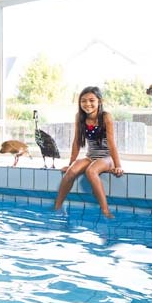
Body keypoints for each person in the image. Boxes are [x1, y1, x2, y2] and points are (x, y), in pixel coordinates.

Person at [54, 86, 124, 218]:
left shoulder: (105, 117)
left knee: (91, 171)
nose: (87, 104)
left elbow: (111, 143)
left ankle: (105, 211)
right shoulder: (79, 117)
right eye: (83, 101)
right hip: (91, 156)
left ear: (99, 101)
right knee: (71, 171)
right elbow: (76, 142)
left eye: (92, 100)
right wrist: (70, 164)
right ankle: (57, 206)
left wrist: (118, 165)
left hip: (106, 158)